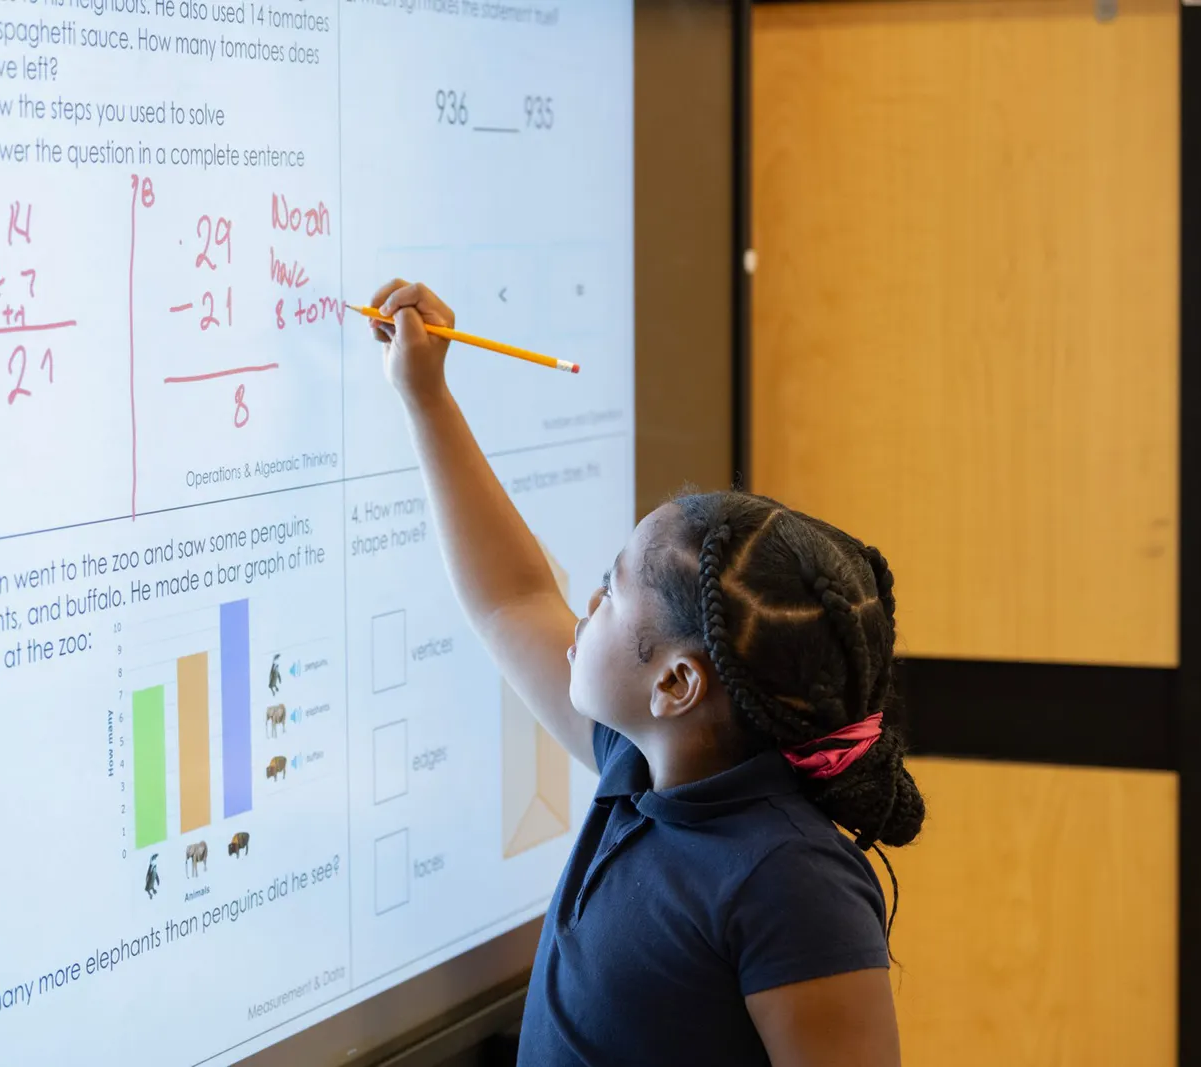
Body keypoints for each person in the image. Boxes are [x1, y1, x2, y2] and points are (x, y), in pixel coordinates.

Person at [369, 279, 924, 1066]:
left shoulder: (792, 882)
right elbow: (512, 597)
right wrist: (426, 399)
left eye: (610, 588)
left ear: (675, 685)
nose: (585, 600)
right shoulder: (636, 771)